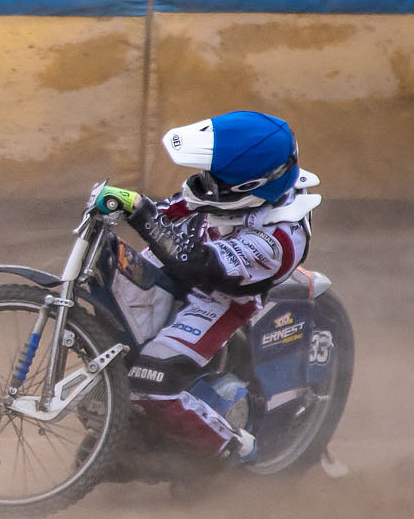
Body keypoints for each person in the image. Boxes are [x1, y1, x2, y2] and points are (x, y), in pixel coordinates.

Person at [91, 111, 320, 462]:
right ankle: (131, 432)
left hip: (218, 298)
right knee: (108, 298)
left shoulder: (280, 239)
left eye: (213, 181)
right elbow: (174, 213)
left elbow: (194, 264)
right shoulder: (237, 189)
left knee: (149, 384)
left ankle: (234, 448)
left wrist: (138, 209)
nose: (201, 184)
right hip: (187, 259)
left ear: (247, 188)